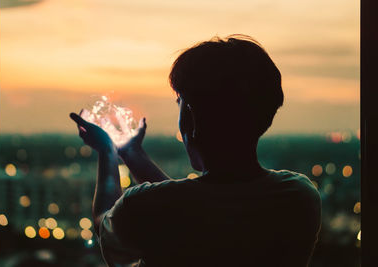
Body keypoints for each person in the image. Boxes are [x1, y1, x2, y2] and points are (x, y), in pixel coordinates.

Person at [70, 34, 321, 267]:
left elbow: (106, 224)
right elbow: (193, 210)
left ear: (190, 115)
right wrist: (133, 155)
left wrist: (107, 151)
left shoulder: (143, 206)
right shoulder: (297, 196)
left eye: (180, 102)